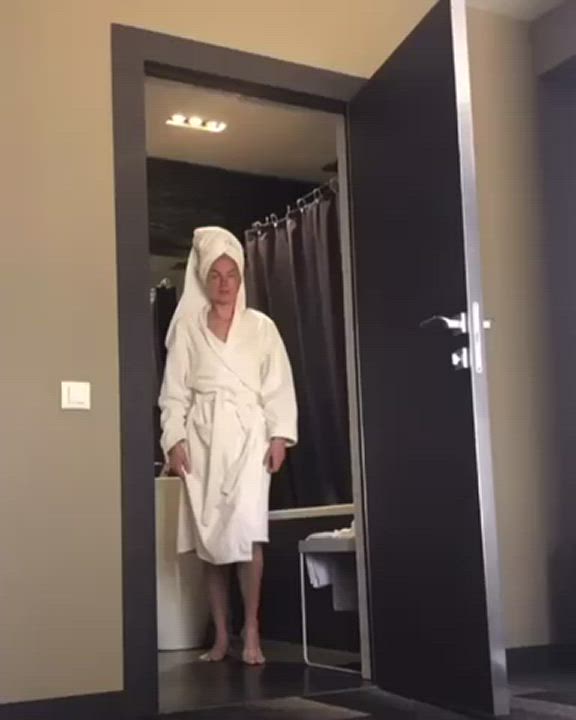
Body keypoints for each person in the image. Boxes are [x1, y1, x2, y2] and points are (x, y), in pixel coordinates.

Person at [159, 226, 298, 666]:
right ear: (203, 278)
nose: (223, 283)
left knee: (248, 533)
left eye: (231, 274)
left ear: (241, 277)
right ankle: (220, 636)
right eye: (215, 275)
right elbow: (174, 393)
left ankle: (250, 627)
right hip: (202, 439)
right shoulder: (188, 330)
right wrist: (175, 439)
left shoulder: (261, 328)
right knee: (210, 542)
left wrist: (279, 435)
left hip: (248, 438)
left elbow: (278, 386)